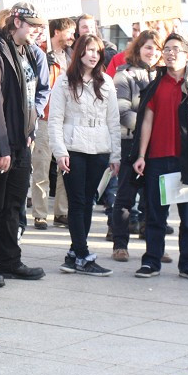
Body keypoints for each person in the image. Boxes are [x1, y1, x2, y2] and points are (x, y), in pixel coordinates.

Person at [0, 3, 47, 287]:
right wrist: (1, 149)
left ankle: (10, 261)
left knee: (13, 206)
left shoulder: (25, 51)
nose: (38, 31)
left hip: (21, 142)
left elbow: (29, 96)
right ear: (17, 22)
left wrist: (29, 132)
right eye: (33, 25)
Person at [131, 34, 188, 281]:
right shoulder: (155, 85)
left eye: (176, 49)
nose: (170, 53)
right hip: (158, 159)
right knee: (156, 215)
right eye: (166, 49)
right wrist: (141, 155)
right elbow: (146, 120)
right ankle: (151, 261)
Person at [48, 34, 120, 276]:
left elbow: (114, 121)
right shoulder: (64, 82)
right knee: (77, 202)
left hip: (99, 148)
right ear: (79, 52)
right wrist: (60, 152)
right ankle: (82, 255)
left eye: (97, 51)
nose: (93, 55)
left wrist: (115, 156)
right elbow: (55, 120)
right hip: (73, 148)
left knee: (88, 201)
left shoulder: (107, 82)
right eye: (89, 50)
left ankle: (74, 252)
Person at [107, 30, 162, 261]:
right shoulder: (125, 75)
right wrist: (144, 135)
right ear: (138, 48)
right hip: (130, 142)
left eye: (158, 48)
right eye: (149, 47)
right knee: (125, 197)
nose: (153, 52)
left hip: (157, 146)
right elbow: (123, 111)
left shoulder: (163, 76)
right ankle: (120, 245)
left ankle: (155, 247)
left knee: (154, 199)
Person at [31, 18, 74, 230]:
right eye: (69, 32)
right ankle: (40, 214)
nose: (73, 37)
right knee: (41, 166)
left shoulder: (72, 57)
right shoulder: (40, 54)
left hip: (66, 119)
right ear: (56, 31)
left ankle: (62, 212)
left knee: (64, 168)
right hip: (46, 119)